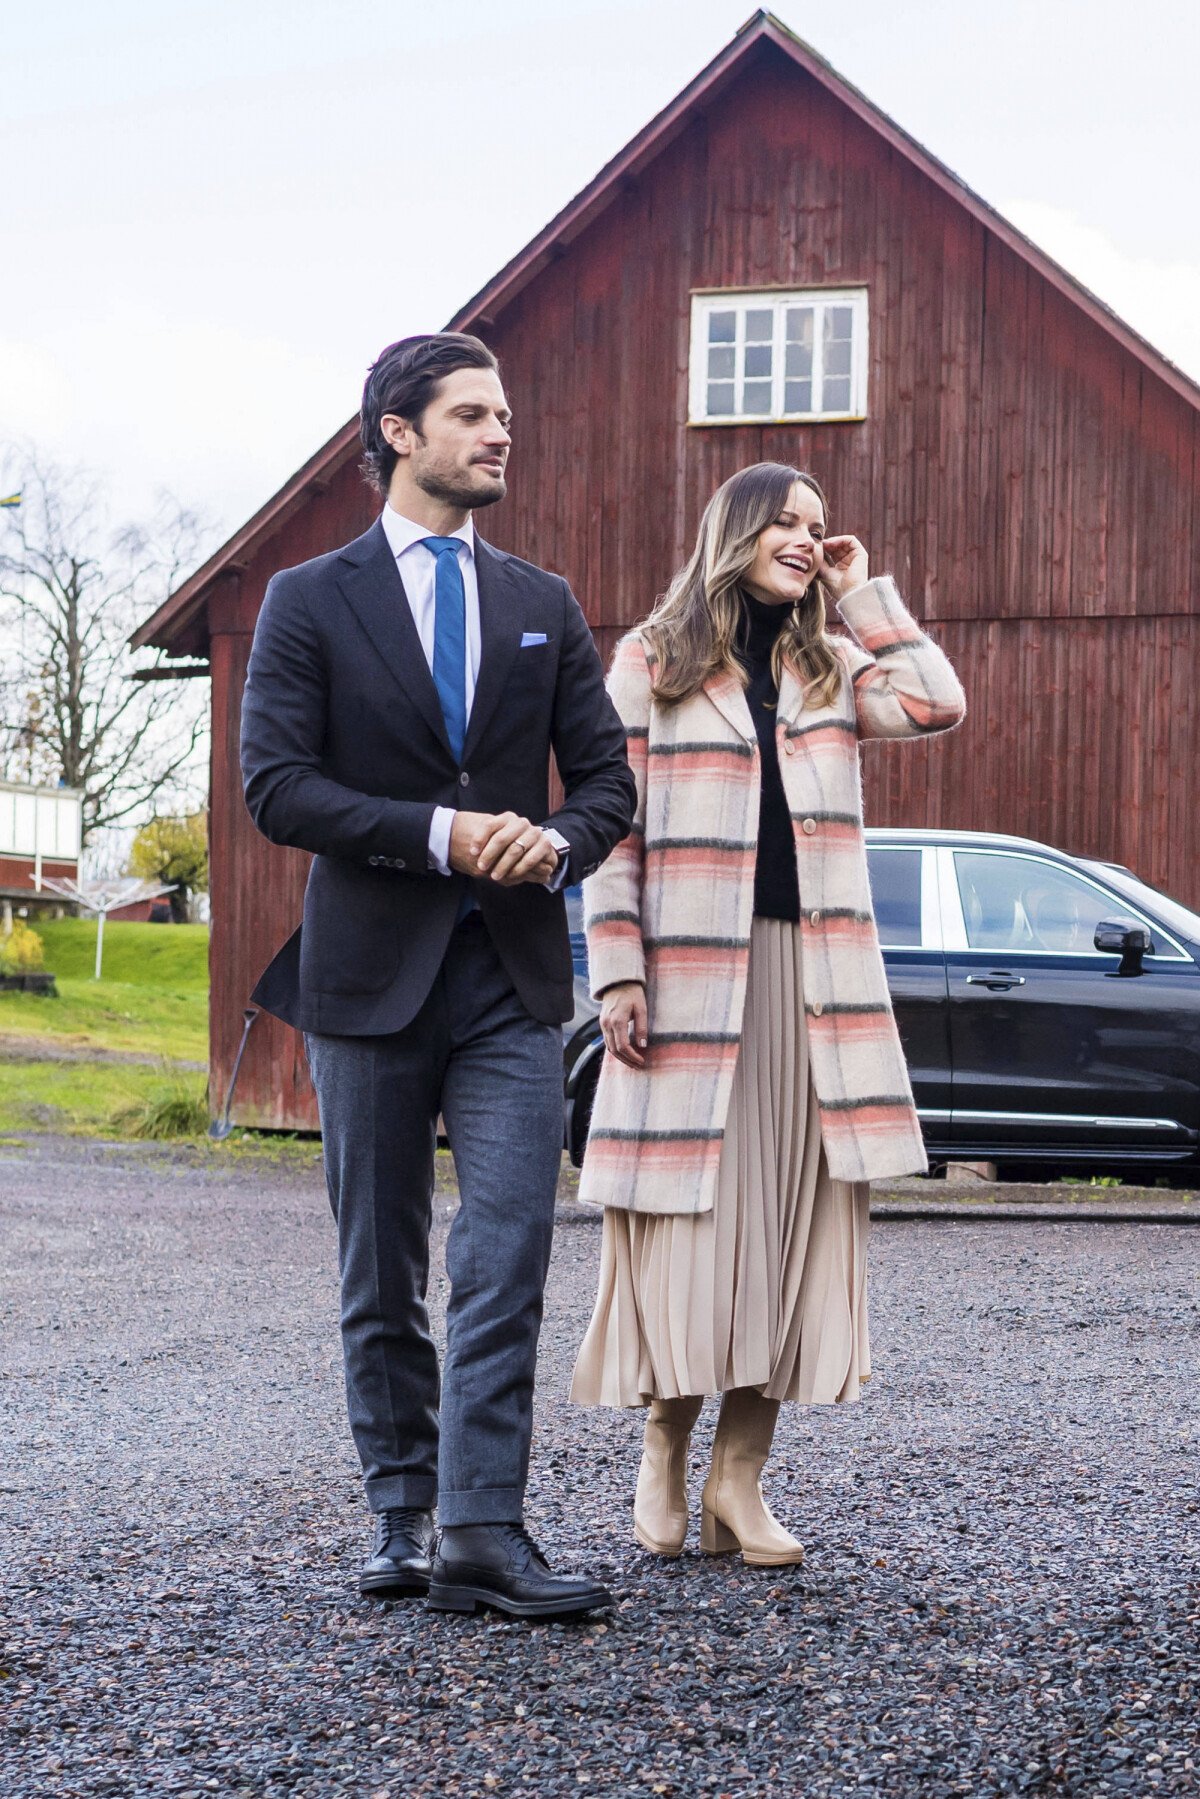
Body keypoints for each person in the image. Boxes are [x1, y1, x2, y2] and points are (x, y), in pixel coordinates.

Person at [240, 333, 636, 1618]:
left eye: (505, 414)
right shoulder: (309, 598)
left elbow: (609, 783)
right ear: (399, 433)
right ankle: (402, 1510)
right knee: (381, 1261)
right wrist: (439, 831)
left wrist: (557, 840)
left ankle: (481, 1527)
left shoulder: (545, 602)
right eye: (473, 413)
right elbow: (276, 786)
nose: (501, 432)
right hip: (366, 972)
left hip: (512, 976)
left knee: (510, 1245)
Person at [571, 462, 965, 1566]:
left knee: (789, 1236)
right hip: (692, 981)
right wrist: (617, 974)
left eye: (819, 526)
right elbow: (613, 832)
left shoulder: (828, 661)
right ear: (735, 528)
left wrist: (864, 589)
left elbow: (938, 700)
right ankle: (663, 1447)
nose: (806, 537)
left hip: (813, 991)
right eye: (788, 522)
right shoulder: (648, 662)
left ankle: (740, 1481)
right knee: (691, 1235)